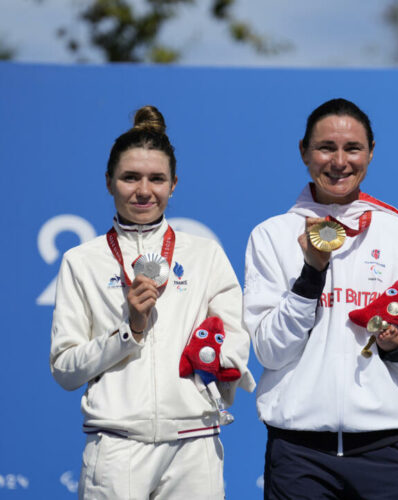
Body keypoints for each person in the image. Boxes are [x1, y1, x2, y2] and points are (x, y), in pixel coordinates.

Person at [50, 105, 254, 500]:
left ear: (174, 184)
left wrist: (214, 372)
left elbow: (235, 343)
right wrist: (130, 331)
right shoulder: (81, 261)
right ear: (108, 182)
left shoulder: (205, 255)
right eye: (130, 177)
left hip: (195, 447)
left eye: (156, 179)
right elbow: (64, 369)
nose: (144, 190)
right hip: (117, 446)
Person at [244, 98, 398, 500]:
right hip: (299, 455)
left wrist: (397, 346)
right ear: (303, 152)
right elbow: (269, 352)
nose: (339, 161)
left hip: (387, 450)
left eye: (352, 148)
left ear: (371, 152)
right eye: (326, 148)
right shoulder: (272, 235)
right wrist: (312, 273)